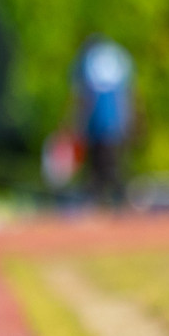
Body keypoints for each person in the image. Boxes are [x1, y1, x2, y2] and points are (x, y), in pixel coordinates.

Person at [72, 35, 134, 208]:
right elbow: (127, 95)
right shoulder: (119, 58)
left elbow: (85, 97)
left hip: (98, 123)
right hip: (115, 122)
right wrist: (128, 120)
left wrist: (79, 123)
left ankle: (103, 199)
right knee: (112, 163)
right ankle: (115, 199)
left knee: (99, 166)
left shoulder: (88, 62)